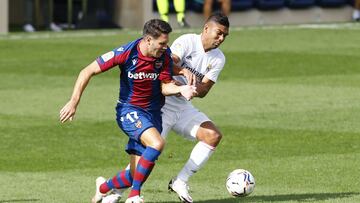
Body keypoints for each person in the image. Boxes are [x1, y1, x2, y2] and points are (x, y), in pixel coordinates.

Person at [59, 19, 196, 203]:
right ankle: (134, 196)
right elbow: (87, 71)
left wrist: (180, 88)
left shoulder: (164, 55)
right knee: (157, 144)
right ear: (148, 40)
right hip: (129, 110)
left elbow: (165, 87)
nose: (166, 47)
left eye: (167, 43)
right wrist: (73, 101)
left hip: (153, 113)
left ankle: (102, 187)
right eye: (162, 43)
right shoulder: (126, 52)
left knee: (134, 174)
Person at [163, 12, 229, 203]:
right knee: (150, 151)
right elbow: (168, 63)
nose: (221, 38)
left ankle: (180, 181)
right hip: (163, 104)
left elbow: (205, 89)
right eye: (218, 33)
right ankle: (112, 192)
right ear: (206, 28)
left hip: (183, 106)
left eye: (225, 35)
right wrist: (182, 74)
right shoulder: (187, 41)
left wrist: (192, 89)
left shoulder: (218, 58)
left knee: (213, 136)